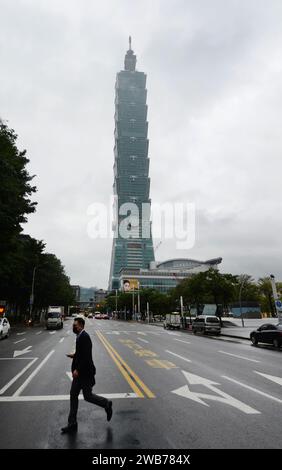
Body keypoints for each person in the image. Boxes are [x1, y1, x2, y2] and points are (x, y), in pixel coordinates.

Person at [61, 316, 113, 434]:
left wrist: (77, 370)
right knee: (73, 394)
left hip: (84, 373)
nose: (73, 327)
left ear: (81, 326)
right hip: (80, 373)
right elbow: (81, 353)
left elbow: (86, 357)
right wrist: (74, 355)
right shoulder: (79, 336)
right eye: (73, 325)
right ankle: (72, 423)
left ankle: (106, 403)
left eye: (75, 325)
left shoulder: (85, 337)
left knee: (87, 396)